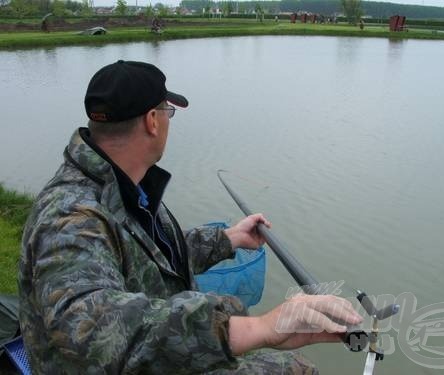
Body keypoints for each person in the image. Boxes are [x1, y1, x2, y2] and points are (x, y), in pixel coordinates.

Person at [18, 60, 363, 374]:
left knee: (292, 365)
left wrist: (227, 239)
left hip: (152, 355)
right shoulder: (69, 216)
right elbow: (90, 329)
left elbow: (149, 257)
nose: (168, 120)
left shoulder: (125, 185)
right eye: (168, 111)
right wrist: (261, 328)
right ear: (152, 121)